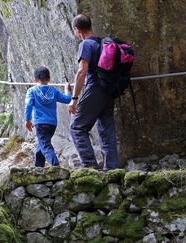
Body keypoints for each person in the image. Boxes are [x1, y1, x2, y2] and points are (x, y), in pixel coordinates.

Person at [68, 14, 118, 171]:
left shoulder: (86, 45)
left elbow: (82, 71)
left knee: (77, 127)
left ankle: (89, 166)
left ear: (77, 30)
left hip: (95, 89)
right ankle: (111, 169)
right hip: (109, 90)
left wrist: (74, 98)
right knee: (105, 129)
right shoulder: (102, 43)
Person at [25, 66, 72, 167]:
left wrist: (27, 120)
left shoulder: (32, 91)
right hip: (52, 124)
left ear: (35, 80)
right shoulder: (53, 90)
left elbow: (28, 105)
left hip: (40, 124)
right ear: (49, 79)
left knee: (45, 145)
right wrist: (68, 89)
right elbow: (67, 99)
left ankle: (56, 166)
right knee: (41, 145)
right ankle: (38, 167)